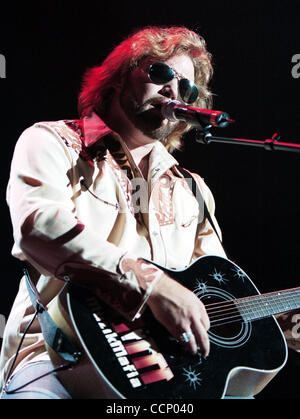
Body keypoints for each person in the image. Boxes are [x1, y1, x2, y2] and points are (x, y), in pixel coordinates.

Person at [0, 25, 244, 399]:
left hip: (162, 368)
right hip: (58, 360)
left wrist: (274, 321)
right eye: (161, 73)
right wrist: (152, 284)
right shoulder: (51, 142)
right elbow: (39, 228)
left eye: (187, 88)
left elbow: (211, 294)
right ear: (118, 77)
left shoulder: (193, 189)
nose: (173, 91)